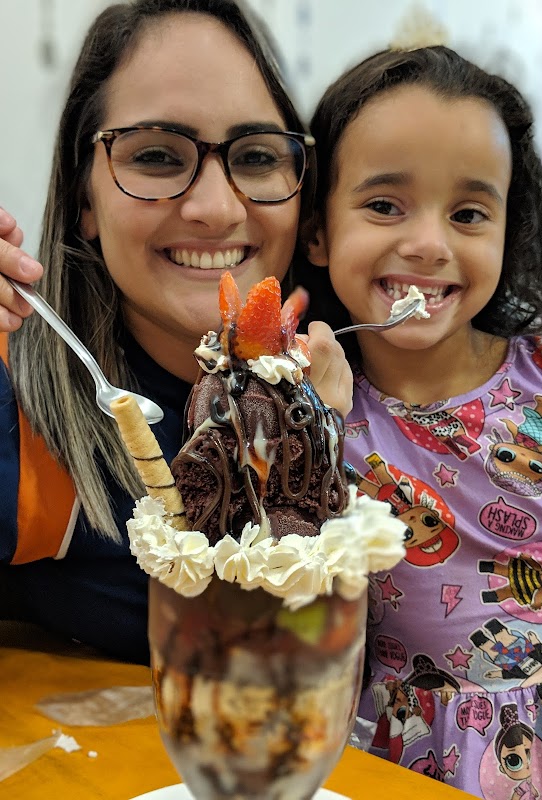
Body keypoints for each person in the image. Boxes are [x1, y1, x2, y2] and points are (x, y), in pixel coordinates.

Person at [0, 0, 351, 664]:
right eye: (158, 156)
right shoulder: (20, 421)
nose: (216, 208)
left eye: (255, 157)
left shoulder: (365, 387)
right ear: (84, 200)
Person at [302, 44, 542, 797]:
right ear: (317, 233)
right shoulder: (315, 410)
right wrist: (315, 420)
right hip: (396, 768)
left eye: (468, 213)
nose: (430, 244)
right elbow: (286, 606)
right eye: (383, 205)